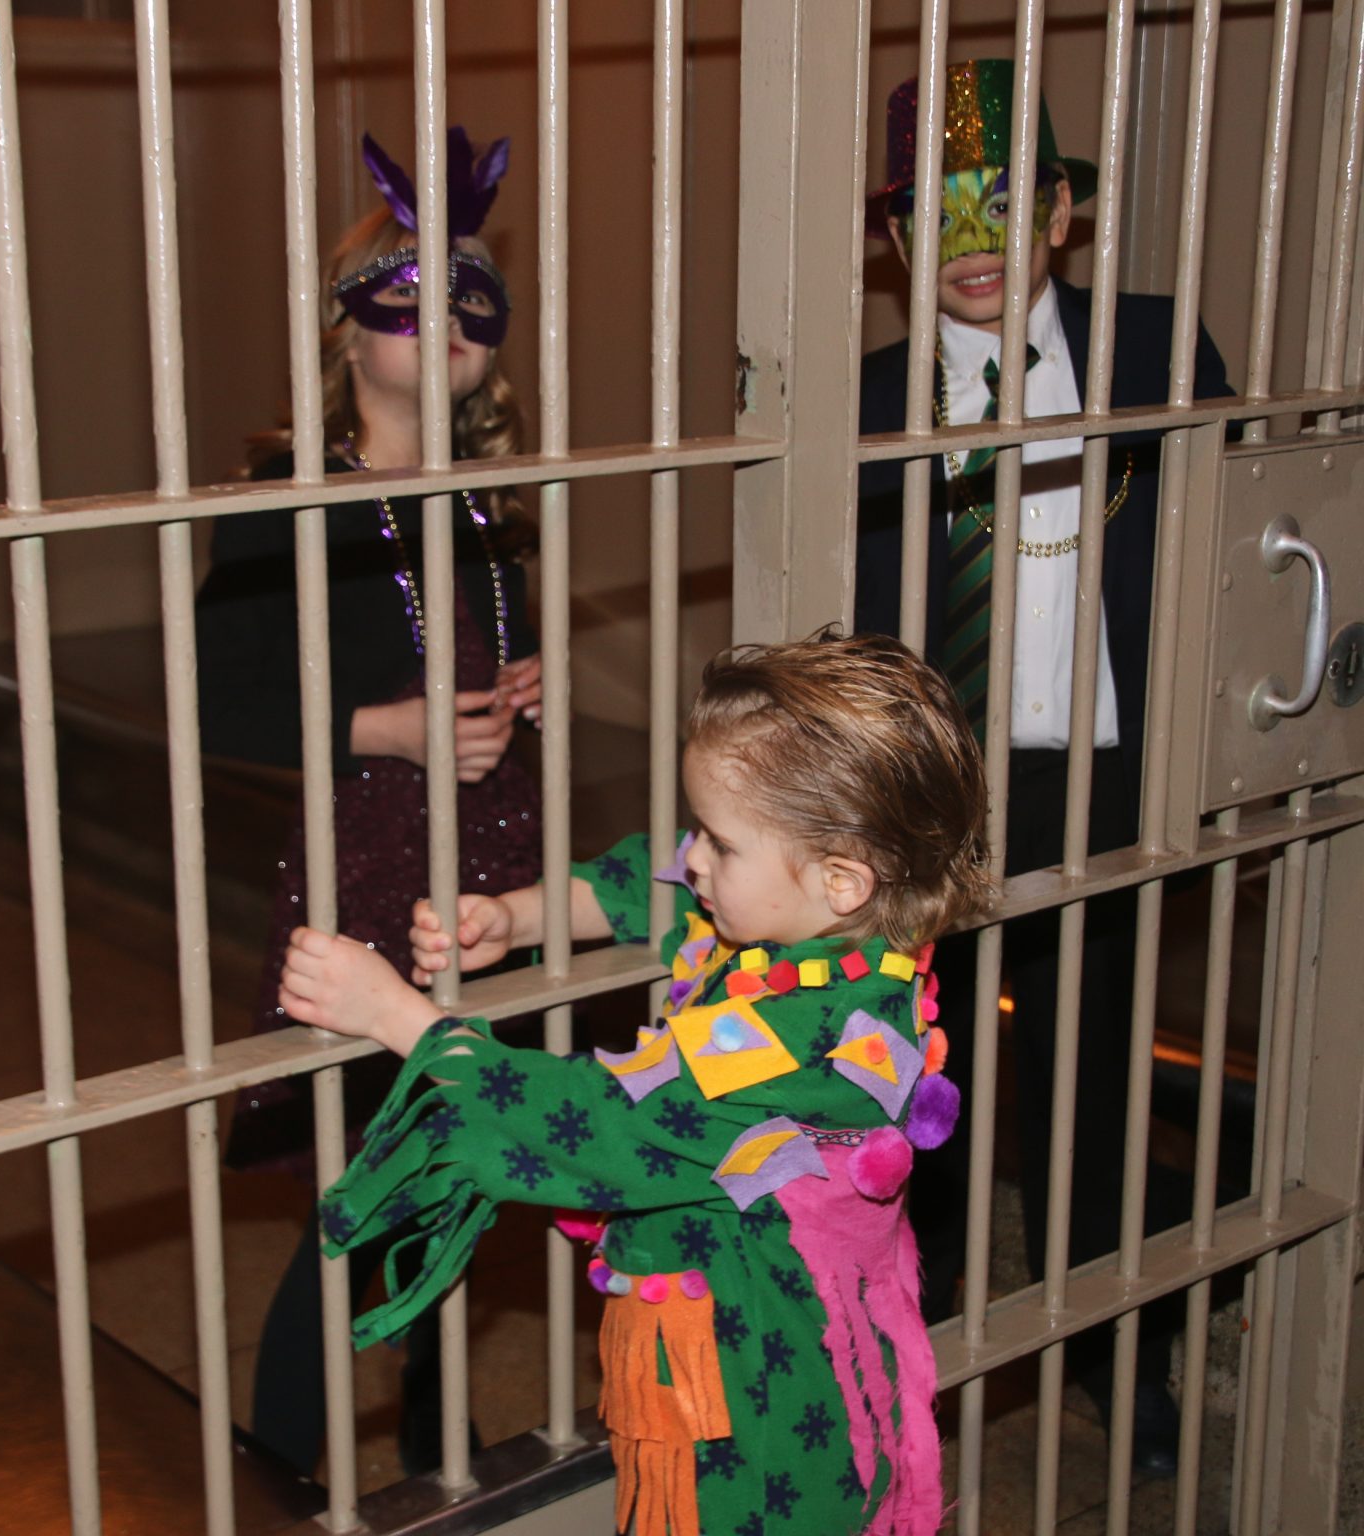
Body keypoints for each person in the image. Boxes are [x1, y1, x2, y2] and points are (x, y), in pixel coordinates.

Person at [278, 630, 990, 1536]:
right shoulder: (821, 945)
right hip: (731, 1363)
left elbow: (600, 1121)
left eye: (723, 846)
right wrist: (519, 914)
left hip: (768, 1405)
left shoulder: (818, 1039)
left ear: (843, 880)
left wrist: (394, 1016)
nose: (695, 859)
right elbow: (650, 886)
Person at [854, 58, 1235, 1475]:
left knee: (1090, 1065)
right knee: (914, 1066)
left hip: (1110, 769)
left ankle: (1103, 1339)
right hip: (927, 787)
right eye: (937, 212)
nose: (970, 243)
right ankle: (925, 1318)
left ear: (1064, 214)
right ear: (894, 238)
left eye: (1004, 203)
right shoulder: (873, 393)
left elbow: (1230, 550)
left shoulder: (1159, 352)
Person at [194, 125, 542, 1477]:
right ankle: (283, 1464)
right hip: (367, 870)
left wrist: (509, 687)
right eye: (412, 289)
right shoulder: (291, 498)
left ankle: (435, 1444)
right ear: (348, 332)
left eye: (475, 295)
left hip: (484, 869)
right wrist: (387, 726)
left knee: (453, 1173)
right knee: (369, 1193)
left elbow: (459, 645)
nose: (450, 317)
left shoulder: (493, 495)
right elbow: (218, 701)